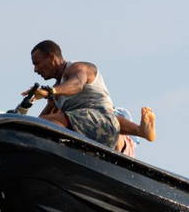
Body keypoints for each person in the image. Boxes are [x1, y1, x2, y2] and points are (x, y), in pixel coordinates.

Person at [24, 40, 156, 156]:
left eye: (37, 63)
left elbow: (77, 85)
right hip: (94, 133)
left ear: (52, 58)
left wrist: (50, 92)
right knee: (43, 123)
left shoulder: (77, 68)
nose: (35, 69)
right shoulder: (57, 90)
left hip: (103, 123)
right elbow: (41, 122)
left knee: (48, 122)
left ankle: (140, 131)